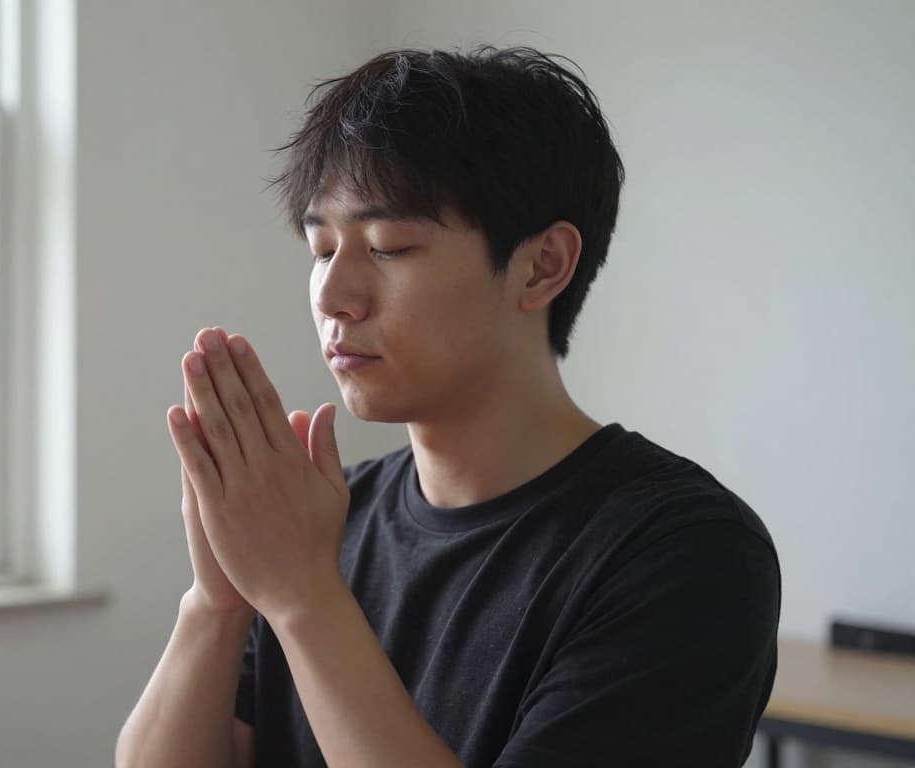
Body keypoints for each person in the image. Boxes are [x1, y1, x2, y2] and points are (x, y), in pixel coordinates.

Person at [115, 45, 780, 768]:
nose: (334, 297)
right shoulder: (320, 520)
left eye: (388, 247)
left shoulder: (684, 553)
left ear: (542, 266)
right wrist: (217, 602)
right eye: (322, 248)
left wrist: (303, 597)